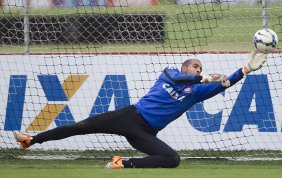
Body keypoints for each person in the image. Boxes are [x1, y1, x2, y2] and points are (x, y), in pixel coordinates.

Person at [14, 51, 267, 169]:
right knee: (81, 127)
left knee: (173, 159)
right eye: (195, 67)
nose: (198, 70)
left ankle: (122, 162)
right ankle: (31, 139)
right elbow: (182, 79)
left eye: (201, 69)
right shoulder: (170, 74)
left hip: (145, 132)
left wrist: (244, 70)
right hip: (128, 116)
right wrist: (206, 78)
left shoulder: (198, 91)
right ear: (185, 67)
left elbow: (223, 85)